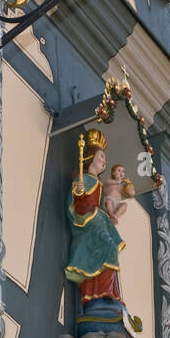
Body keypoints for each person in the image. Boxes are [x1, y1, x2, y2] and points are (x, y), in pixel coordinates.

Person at [64, 129, 128, 312]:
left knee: (109, 249)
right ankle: (97, 294)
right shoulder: (83, 181)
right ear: (90, 158)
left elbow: (101, 203)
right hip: (89, 224)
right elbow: (78, 207)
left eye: (105, 159)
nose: (104, 161)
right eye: (101, 157)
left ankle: (107, 293)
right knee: (109, 249)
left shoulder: (98, 183)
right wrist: (79, 193)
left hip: (99, 223)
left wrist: (111, 213)